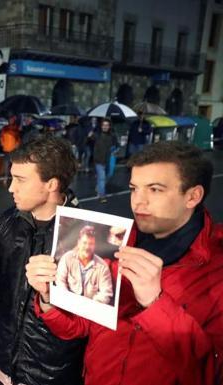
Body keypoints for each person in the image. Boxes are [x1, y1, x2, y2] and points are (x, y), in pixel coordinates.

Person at [27, 141, 223, 385]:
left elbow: (211, 373)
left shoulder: (216, 268)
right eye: (134, 188)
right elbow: (81, 327)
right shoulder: (117, 241)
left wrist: (156, 303)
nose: (138, 202)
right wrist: (49, 298)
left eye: (155, 190)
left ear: (193, 196)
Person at [0, 136, 85, 385]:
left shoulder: (84, 236)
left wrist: (49, 297)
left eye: (21, 180)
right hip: (4, 358)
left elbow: (87, 322)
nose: (11, 187)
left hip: (50, 372)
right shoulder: (10, 220)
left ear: (52, 184)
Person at [55, 225, 113, 304]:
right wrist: (67, 301)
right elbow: (60, 281)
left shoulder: (103, 266)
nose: (87, 247)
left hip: (91, 308)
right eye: (84, 243)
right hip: (67, 304)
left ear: (95, 245)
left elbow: (106, 293)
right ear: (78, 243)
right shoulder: (67, 258)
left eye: (91, 244)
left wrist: (90, 305)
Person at [93, 118, 117, 203]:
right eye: (104, 125)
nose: (105, 127)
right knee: (102, 178)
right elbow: (87, 143)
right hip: (99, 160)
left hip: (108, 160)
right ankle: (102, 196)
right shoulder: (96, 135)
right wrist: (88, 136)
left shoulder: (112, 136)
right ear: (101, 126)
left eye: (107, 125)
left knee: (109, 175)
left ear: (109, 126)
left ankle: (98, 187)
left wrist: (115, 151)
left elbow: (116, 146)